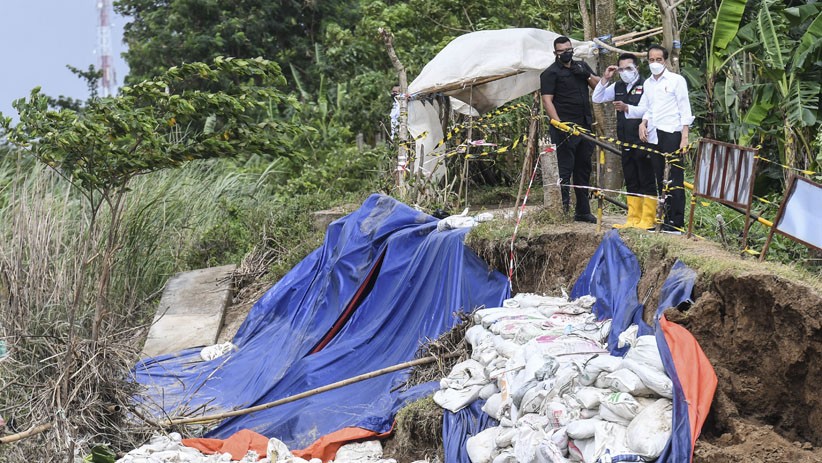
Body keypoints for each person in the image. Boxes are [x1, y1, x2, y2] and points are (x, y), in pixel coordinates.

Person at [622, 44, 694, 234]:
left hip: (672, 132)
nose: (655, 63)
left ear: (665, 61)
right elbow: (647, 107)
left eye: (659, 60)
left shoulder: (676, 80)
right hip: (653, 134)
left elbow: (685, 108)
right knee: (659, 176)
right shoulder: (647, 84)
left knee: (674, 178)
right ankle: (662, 219)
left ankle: (676, 222)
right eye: (651, 60)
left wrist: (684, 135)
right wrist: (643, 122)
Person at [541, 36, 601, 223]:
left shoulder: (581, 67)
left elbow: (599, 87)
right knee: (564, 170)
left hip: (585, 125)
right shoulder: (550, 73)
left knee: (583, 169)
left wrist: (586, 75)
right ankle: (563, 210)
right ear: (555, 53)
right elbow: (547, 100)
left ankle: (583, 211)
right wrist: (558, 123)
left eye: (569, 50)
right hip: (564, 129)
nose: (566, 53)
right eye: (562, 51)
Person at [592, 53, 655, 229]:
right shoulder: (618, 86)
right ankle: (633, 218)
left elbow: (648, 110)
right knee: (631, 177)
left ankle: (649, 218)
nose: (625, 72)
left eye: (629, 68)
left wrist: (627, 107)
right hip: (625, 139)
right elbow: (597, 98)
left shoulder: (647, 85)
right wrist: (605, 79)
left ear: (637, 68)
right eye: (621, 69)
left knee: (646, 177)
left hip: (643, 138)